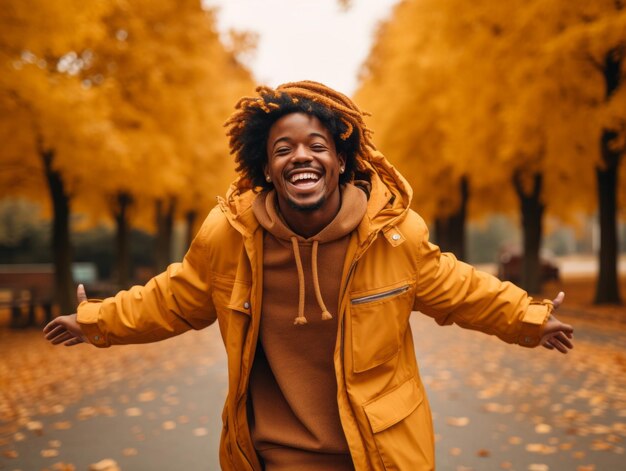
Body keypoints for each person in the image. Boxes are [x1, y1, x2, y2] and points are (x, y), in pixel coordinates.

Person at [43, 81, 574, 471]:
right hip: (272, 455)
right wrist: (94, 321)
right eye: (283, 149)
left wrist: (531, 318)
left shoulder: (392, 236)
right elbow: (170, 299)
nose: (301, 156)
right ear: (266, 167)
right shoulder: (230, 239)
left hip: (378, 451)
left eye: (317, 146)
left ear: (341, 161)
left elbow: (464, 291)